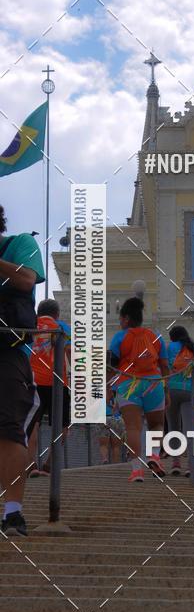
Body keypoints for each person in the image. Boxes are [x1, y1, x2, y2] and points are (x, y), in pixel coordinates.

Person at [0, 207, 45, 536]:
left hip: (6, 350)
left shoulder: (19, 244)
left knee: (7, 428)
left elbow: (27, 278)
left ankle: (12, 511)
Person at [109, 297, 169, 482]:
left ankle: (136, 471)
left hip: (129, 384)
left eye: (120, 319)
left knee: (133, 427)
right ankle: (154, 456)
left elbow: (111, 366)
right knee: (157, 424)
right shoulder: (155, 335)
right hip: (153, 383)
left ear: (126, 319)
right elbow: (165, 366)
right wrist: (166, 391)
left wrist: (109, 389)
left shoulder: (119, 337)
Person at [27, 299, 72, 477]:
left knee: (32, 424)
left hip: (33, 382)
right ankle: (48, 464)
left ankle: (30, 465)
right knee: (61, 425)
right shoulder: (61, 326)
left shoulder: (30, 325)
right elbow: (69, 352)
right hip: (57, 382)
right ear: (57, 314)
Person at [166, 325, 194, 475]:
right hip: (190, 391)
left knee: (173, 427)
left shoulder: (168, 348)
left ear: (172, 337)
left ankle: (176, 463)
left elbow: (162, 368)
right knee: (189, 429)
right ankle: (191, 465)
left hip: (170, 391)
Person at [94, 366, 126, 465]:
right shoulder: (120, 385)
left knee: (103, 444)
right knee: (116, 446)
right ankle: (115, 464)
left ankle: (105, 459)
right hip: (117, 418)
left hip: (102, 417)